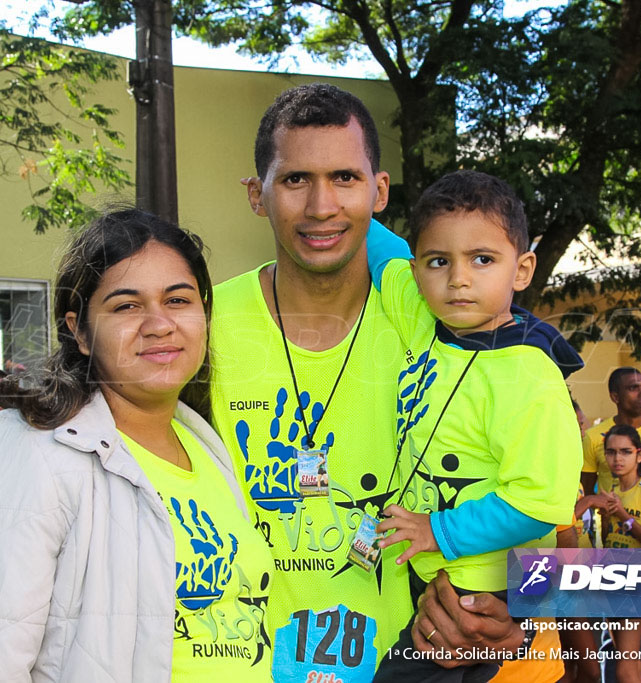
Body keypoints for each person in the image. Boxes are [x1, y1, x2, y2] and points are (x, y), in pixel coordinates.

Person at [216, 84, 534, 680]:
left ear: (379, 190)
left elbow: (533, 488)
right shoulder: (198, 327)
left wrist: (517, 614)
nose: (320, 206)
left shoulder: (450, 328)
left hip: (405, 661)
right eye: (294, 181)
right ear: (257, 195)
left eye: (344, 177)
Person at [0, 210, 275, 681]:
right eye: (126, 306)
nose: (159, 324)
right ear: (80, 331)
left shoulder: (203, 441)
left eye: (178, 300)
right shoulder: (29, 450)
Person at [361, 170, 581, 682]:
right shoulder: (421, 315)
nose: (458, 277)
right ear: (418, 271)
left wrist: (437, 530)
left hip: (488, 592)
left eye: (483, 259)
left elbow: (537, 503)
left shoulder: (529, 372)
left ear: (522, 269)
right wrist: (346, 200)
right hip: (432, 573)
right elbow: (380, 248)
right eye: (440, 261)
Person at [599, 424, 641, 683]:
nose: (617, 458)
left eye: (625, 451)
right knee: (627, 658)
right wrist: (607, 519)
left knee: (625, 664)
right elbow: (608, 540)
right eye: (611, 452)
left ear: (639, 455)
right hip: (611, 577)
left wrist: (623, 516)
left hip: (636, 579)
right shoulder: (612, 489)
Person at [581, 367, 641, 541]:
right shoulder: (594, 436)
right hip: (612, 537)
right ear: (615, 396)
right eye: (633, 388)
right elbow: (586, 491)